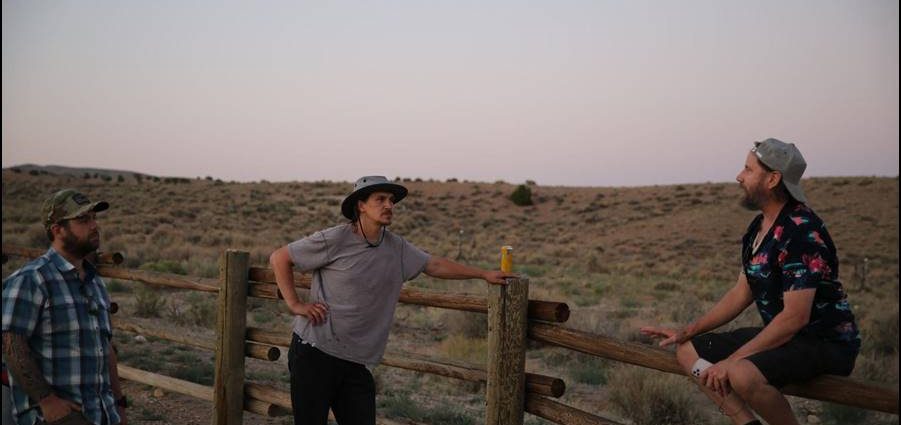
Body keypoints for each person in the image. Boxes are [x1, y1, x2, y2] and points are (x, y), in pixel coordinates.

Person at [641, 139, 860, 425]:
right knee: (688, 351)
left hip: (823, 341)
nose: (739, 176)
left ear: (772, 179)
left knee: (741, 373)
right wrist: (687, 330)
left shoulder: (801, 231)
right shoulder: (757, 228)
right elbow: (741, 292)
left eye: (748, 169)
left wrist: (732, 362)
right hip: (784, 336)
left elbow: (795, 317)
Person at [270, 176, 516, 425]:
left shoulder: (397, 248)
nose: (389, 205)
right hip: (315, 352)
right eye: (380, 199)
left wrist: (483, 274)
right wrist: (295, 304)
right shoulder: (335, 239)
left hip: (355, 361)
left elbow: (434, 265)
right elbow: (280, 258)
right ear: (361, 205)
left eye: (391, 200)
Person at [2, 189, 127, 425]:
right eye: (83, 220)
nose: (93, 226)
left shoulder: (94, 282)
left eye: (93, 218)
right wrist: (47, 401)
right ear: (57, 229)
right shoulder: (32, 280)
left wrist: (119, 406)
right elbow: (12, 345)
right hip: (55, 417)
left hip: (102, 415)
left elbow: (105, 347)